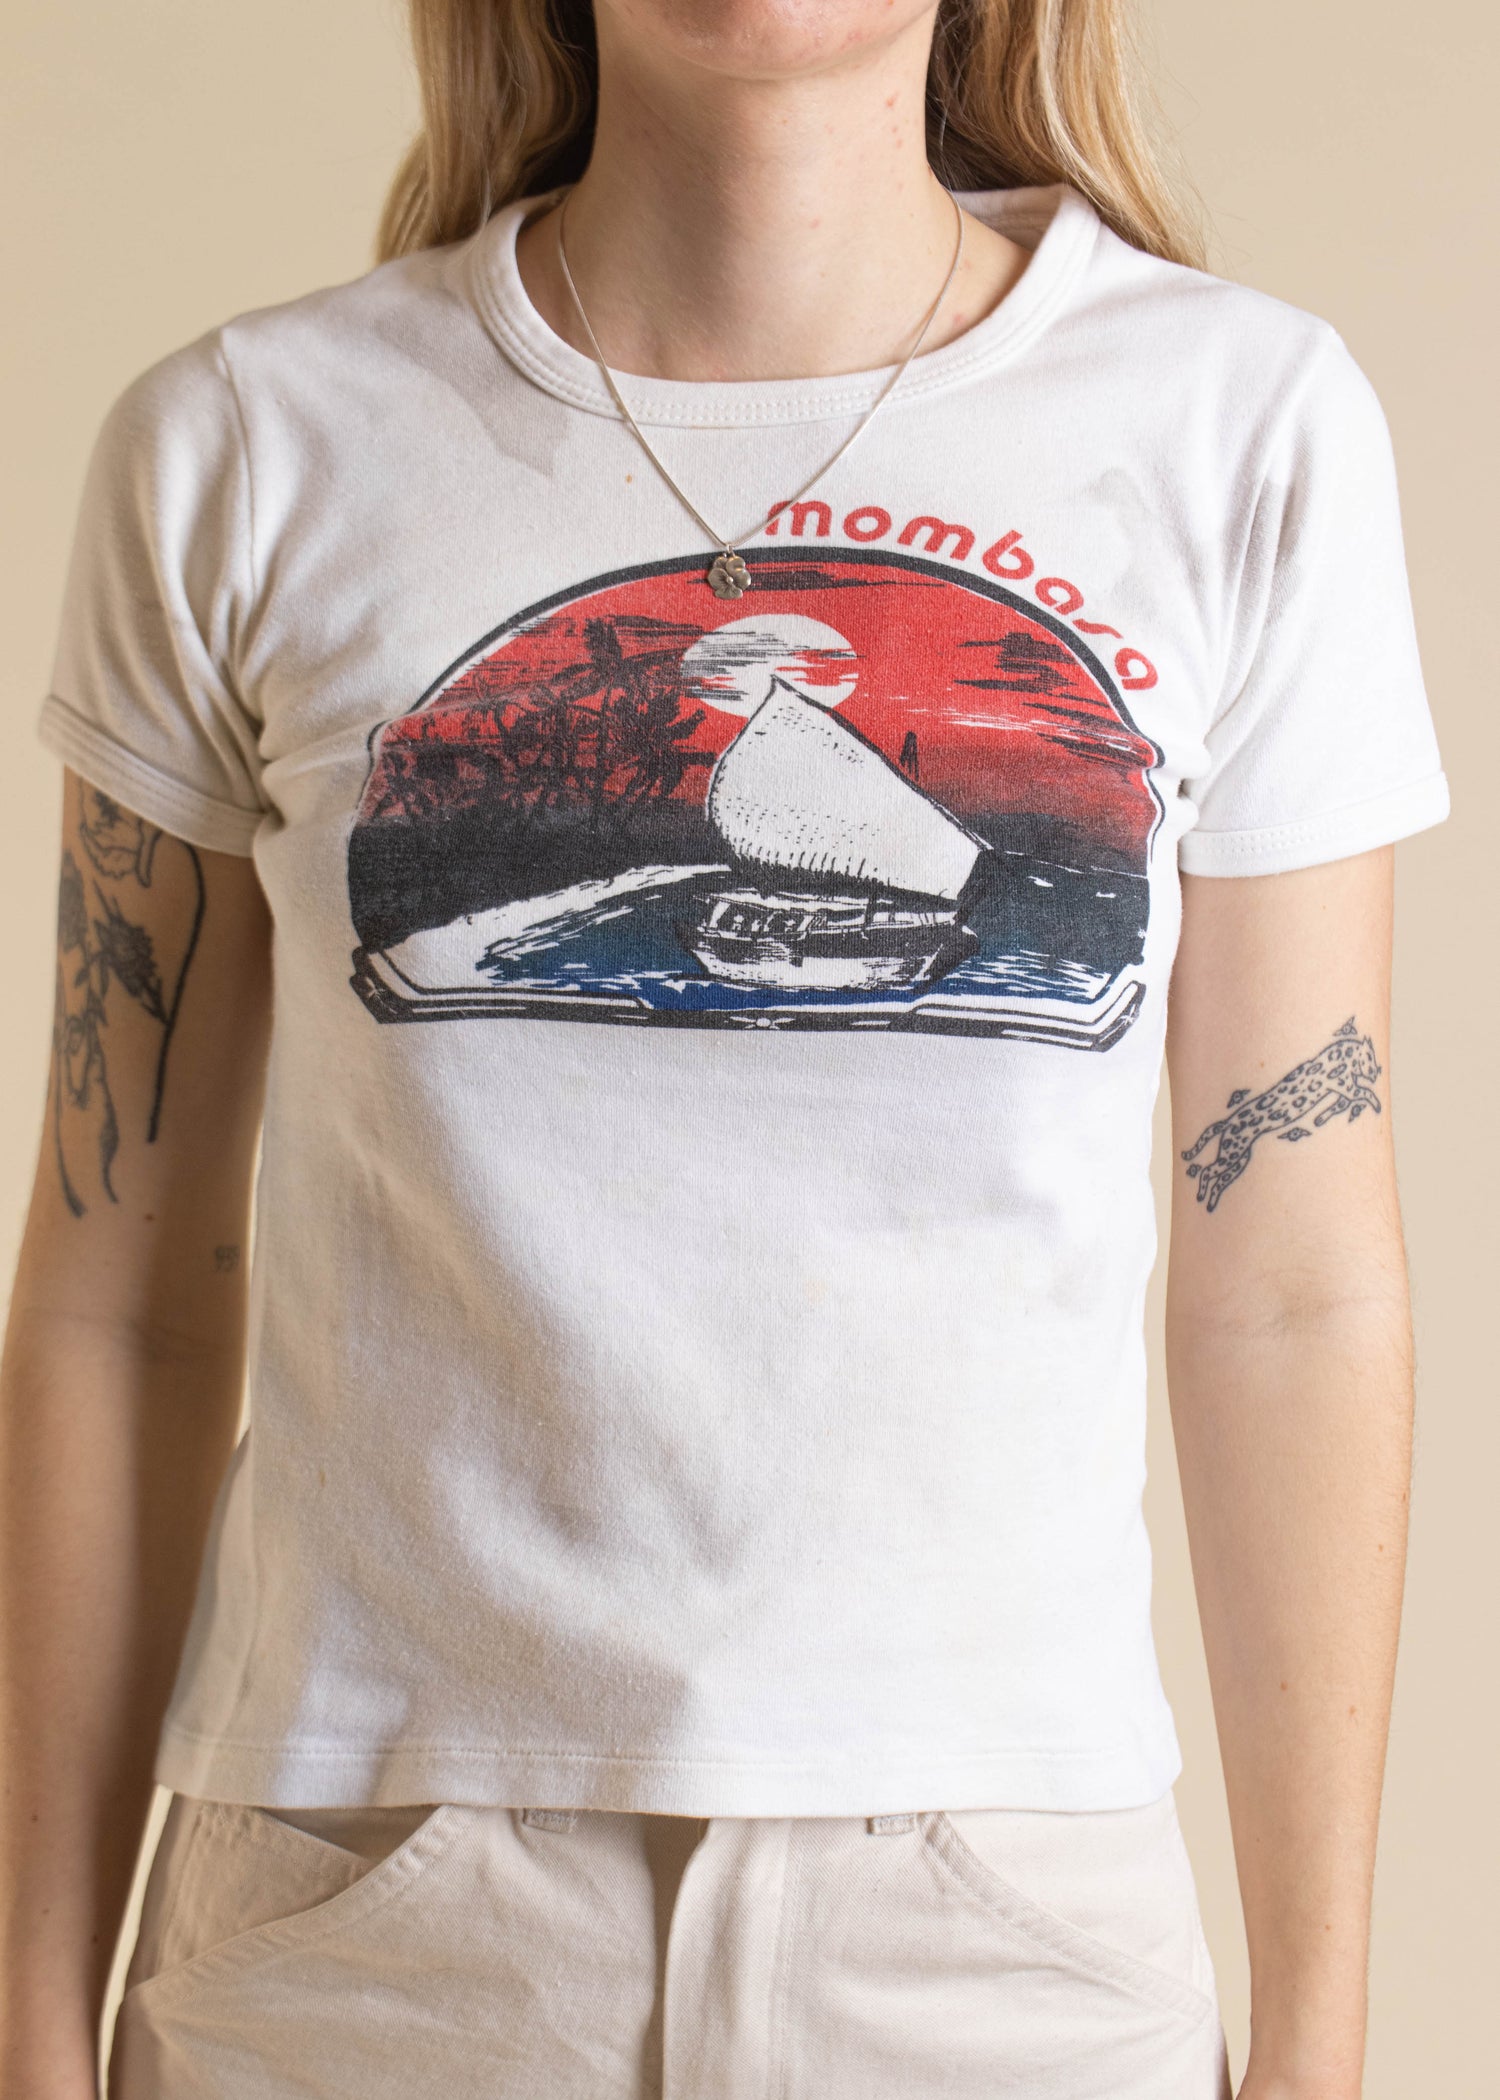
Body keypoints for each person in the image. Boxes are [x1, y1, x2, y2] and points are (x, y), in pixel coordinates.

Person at [0, 1, 1449, 2095]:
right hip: (356, 1932)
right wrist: (32, 2021)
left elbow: (1294, 1290)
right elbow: (118, 1296)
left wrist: (1317, 2043)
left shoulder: (1246, 425)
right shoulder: (244, 445)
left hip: (1001, 1940)